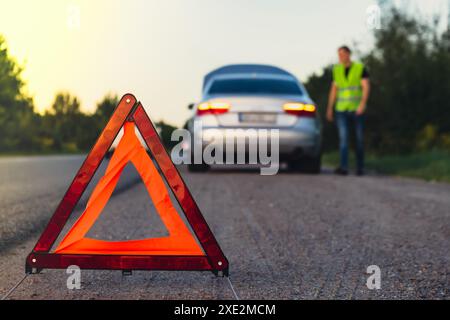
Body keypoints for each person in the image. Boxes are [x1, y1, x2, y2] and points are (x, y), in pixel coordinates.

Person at [326, 45, 370, 176]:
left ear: (349, 54)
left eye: (342, 54)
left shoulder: (359, 68)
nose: (340, 57)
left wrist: (363, 104)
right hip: (341, 109)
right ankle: (344, 167)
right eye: (338, 54)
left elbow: (366, 87)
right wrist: (330, 108)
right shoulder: (336, 69)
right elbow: (334, 90)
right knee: (343, 139)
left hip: (357, 109)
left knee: (359, 139)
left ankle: (360, 167)